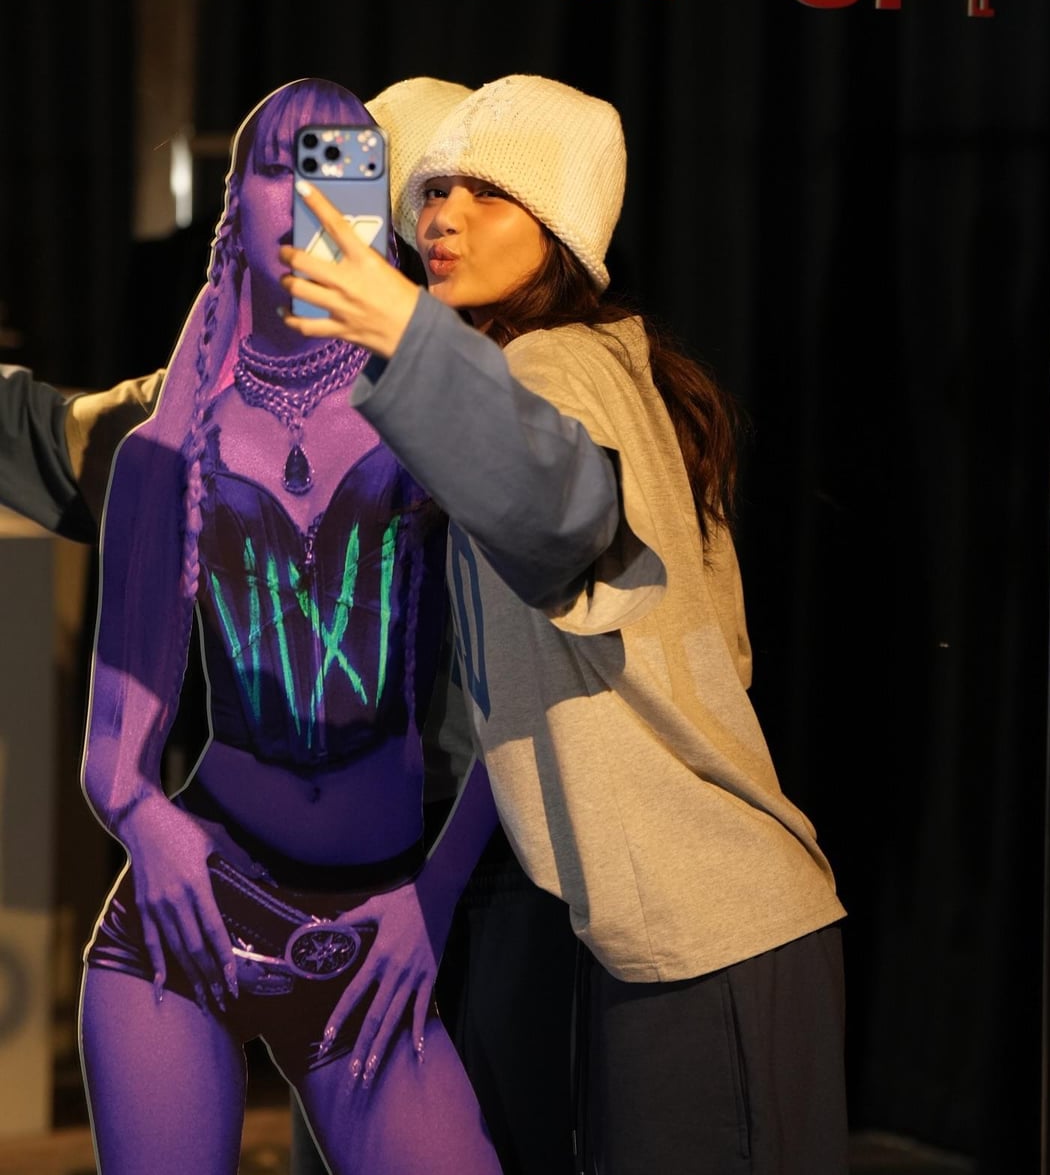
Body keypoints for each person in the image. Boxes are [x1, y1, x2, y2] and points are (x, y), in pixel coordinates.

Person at [279, 73, 850, 1175]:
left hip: (712, 920)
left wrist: (402, 330)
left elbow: (562, 512)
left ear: (562, 227)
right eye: (433, 189)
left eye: (488, 193)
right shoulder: (590, 364)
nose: (442, 216)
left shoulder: (560, 365)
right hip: (660, 931)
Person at [78, 77, 503, 1175]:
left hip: (374, 924)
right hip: (190, 916)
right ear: (235, 204)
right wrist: (146, 821)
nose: (308, 193)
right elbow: (111, 754)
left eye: (343, 168)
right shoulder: (166, 449)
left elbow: (525, 697)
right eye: (280, 165)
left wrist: (436, 894)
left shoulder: (431, 417)